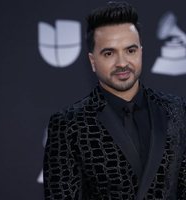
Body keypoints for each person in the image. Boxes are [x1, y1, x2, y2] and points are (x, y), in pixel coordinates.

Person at [43, 1, 186, 199]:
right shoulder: (68, 125)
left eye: (130, 50)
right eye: (109, 53)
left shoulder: (177, 110)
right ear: (93, 61)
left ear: (141, 52)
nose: (122, 63)